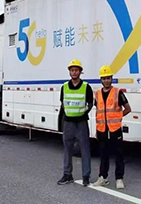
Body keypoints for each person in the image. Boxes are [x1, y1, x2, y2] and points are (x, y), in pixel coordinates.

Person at [92, 65, 132, 190]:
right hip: (102, 129)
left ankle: (119, 178)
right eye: (104, 78)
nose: (106, 81)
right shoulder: (97, 94)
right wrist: (97, 129)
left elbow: (128, 108)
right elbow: (98, 111)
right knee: (103, 154)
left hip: (115, 129)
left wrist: (119, 117)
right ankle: (102, 177)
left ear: (111, 78)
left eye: (108, 78)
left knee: (118, 154)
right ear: (101, 80)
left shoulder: (118, 92)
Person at [57, 59, 94, 187]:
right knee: (67, 150)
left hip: (81, 122)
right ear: (69, 72)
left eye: (76, 70)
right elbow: (63, 103)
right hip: (68, 123)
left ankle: (86, 176)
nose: (74, 72)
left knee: (85, 150)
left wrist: (83, 113)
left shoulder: (86, 87)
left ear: (80, 72)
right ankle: (67, 175)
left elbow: (90, 103)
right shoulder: (64, 87)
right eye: (72, 70)